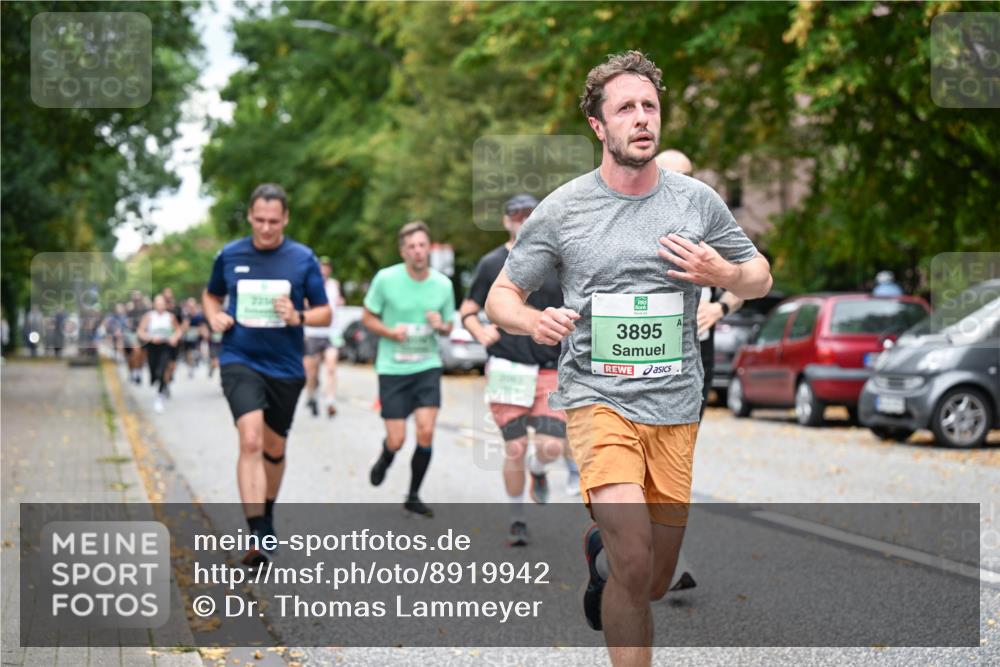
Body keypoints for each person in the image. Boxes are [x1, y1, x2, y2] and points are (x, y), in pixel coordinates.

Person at [485, 51, 772, 665]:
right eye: (625, 109)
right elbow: (500, 297)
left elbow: (760, 276)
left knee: (655, 580)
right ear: (598, 126)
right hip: (598, 399)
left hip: (675, 405)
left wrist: (724, 273)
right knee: (635, 559)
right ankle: (617, 565)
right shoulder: (564, 209)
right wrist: (535, 320)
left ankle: (602, 560)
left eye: (650, 106)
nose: (642, 118)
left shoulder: (697, 202)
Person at [203, 183, 331, 566]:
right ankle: (256, 532)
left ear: (285, 219)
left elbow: (324, 312)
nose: (265, 228)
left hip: (285, 367)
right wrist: (214, 316)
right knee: (250, 440)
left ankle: (268, 514)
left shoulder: (302, 258)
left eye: (273, 221)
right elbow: (211, 294)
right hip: (239, 359)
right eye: (259, 220)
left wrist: (298, 316)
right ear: (249, 216)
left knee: (274, 450)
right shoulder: (230, 254)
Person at [460, 193, 568, 546]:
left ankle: (539, 470)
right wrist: (479, 332)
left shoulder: (557, 261)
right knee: (516, 447)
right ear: (506, 221)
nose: (522, 220)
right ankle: (517, 518)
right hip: (507, 366)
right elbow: (468, 310)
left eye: (529, 214)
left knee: (551, 446)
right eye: (516, 215)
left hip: (550, 368)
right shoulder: (492, 263)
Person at [363, 221, 455, 517]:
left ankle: (413, 494)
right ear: (403, 252)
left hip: (427, 366)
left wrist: (441, 325)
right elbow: (368, 317)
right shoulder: (385, 279)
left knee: (426, 431)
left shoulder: (443, 285)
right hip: (393, 368)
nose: (417, 251)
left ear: (429, 248)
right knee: (398, 438)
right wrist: (390, 332)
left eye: (422, 245)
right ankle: (386, 456)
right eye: (411, 246)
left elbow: (448, 325)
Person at [654, 149, 746, 420]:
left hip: (696, 349)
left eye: (686, 176)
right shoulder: (633, 219)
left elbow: (744, 278)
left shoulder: (709, 225)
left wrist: (719, 309)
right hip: (645, 348)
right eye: (669, 176)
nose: (679, 183)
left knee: (686, 433)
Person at [303, 256, 345, 418]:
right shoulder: (309, 284)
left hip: (331, 333)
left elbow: (339, 300)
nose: (324, 270)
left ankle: (330, 401)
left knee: (331, 368)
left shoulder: (335, 284)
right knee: (312, 372)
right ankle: (311, 395)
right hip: (313, 333)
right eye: (321, 267)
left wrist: (340, 302)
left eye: (326, 267)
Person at [137, 295, 182, 414]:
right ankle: (156, 380)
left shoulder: (170, 317)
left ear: (165, 305)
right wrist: (150, 338)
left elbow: (178, 330)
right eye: (158, 304)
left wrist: (174, 337)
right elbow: (140, 331)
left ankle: (159, 395)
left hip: (165, 346)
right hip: (152, 347)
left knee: (162, 370)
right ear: (154, 305)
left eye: (162, 304)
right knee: (153, 371)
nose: (160, 306)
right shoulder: (149, 316)